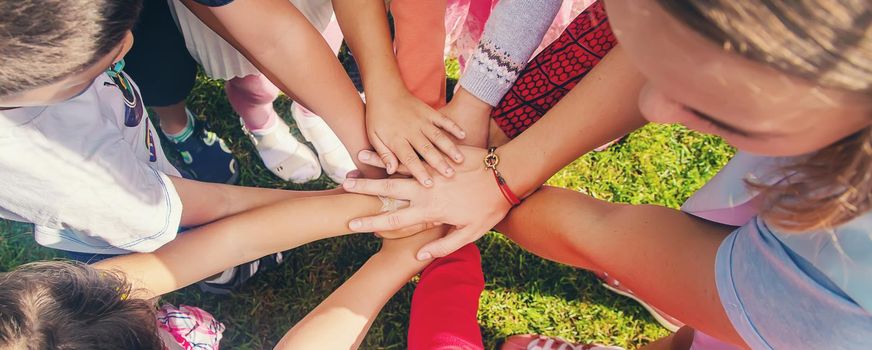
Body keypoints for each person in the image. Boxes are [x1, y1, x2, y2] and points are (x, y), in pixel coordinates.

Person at [344, 0, 872, 348]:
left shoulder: (837, 292)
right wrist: (495, 172)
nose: (654, 110)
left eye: (719, 108)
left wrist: (488, 191)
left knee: (718, 332)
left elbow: (602, 234)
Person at [0, 191, 431, 349]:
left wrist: (380, 206)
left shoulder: (49, 317)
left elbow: (231, 242)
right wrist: (400, 256)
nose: (138, 293)